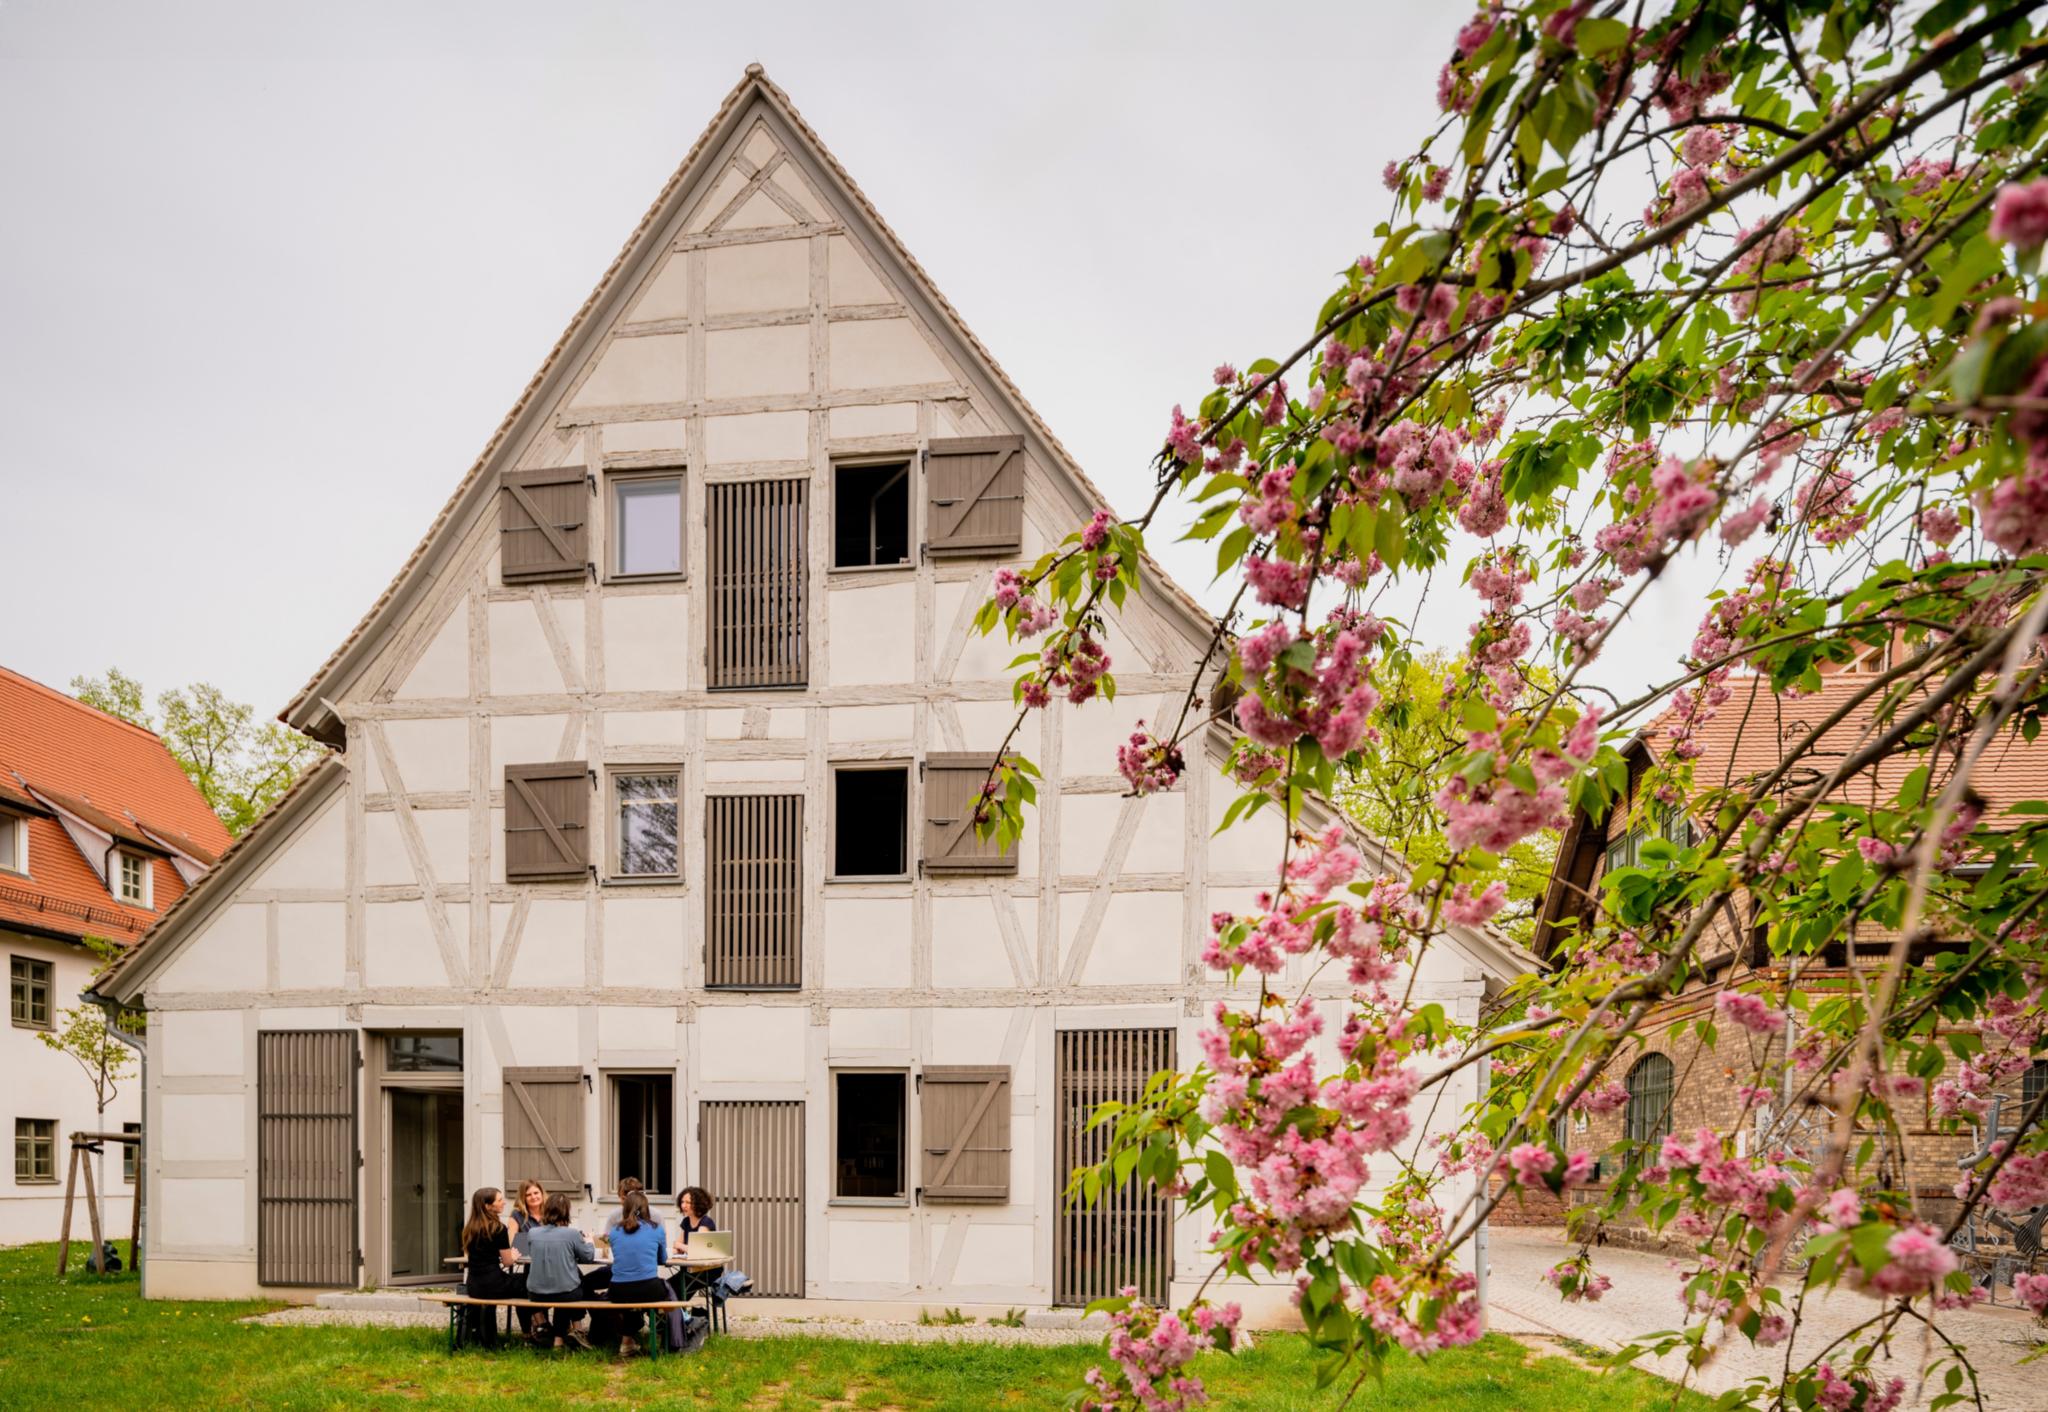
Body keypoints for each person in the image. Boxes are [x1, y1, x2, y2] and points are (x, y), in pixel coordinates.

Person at [524, 1192, 604, 1349]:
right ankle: (567, 1334)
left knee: (567, 1281)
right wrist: (588, 1241)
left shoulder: (532, 1233)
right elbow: (588, 1257)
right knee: (570, 1288)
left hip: (535, 1293)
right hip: (565, 1293)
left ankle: (563, 1336)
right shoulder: (572, 1234)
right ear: (566, 1212)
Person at [603, 1190, 669, 1354]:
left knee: (631, 1293)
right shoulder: (657, 1229)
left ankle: (627, 1340)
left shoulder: (614, 1232)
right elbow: (663, 1259)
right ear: (646, 1209)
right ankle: (664, 1338)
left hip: (618, 1291)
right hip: (649, 1289)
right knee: (667, 1290)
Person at [459, 1187, 527, 1344]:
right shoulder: (498, 1228)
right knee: (529, 1282)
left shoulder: (469, 1229)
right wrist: (515, 1255)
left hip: (474, 1286)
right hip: (494, 1285)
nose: (504, 1202)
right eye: (499, 1200)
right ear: (487, 1206)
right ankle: (537, 1330)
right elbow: (507, 1261)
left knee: (521, 1280)